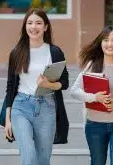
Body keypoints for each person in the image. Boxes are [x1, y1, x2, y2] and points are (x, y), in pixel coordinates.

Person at [4, 9, 69, 165]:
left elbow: (65, 82)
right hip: (21, 106)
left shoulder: (54, 52)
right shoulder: (16, 52)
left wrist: (49, 84)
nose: (34, 27)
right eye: (30, 23)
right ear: (25, 26)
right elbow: (11, 86)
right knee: (29, 156)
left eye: (38, 23)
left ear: (46, 27)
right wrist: (7, 119)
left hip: (47, 107)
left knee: (42, 160)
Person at [70, 26, 113, 165]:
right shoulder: (92, 65)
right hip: (95, 124)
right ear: (101, 43)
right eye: (106, 40)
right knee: (97, 162)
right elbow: (74, 91)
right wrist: (94, 97)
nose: (110, 44)